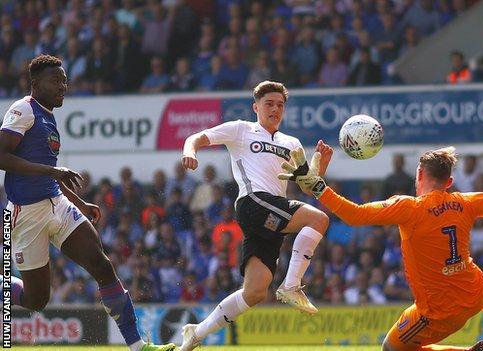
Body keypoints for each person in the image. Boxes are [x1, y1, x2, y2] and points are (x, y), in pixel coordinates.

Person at [286, 146, 483, 351]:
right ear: (450, 181)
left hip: (438, 314)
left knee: (391, 349)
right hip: (472, 296)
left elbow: (354, 215)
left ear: (419, 175)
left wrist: (319, 189)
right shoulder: (466, 202)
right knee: (477, 277)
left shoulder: (408, 208)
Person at [0, 55, 175, 351]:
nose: (63, 86)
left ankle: (137, 346)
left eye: (64, 80)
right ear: (35, 84)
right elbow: (2, 157)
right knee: (36, 301)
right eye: (55, 81)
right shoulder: (23, 109)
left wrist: (79, 202)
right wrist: (53, 171)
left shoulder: (49, 116)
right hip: (25, 213)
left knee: (102, 266)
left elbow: (47, 173)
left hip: (56, 203)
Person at [179, 80, 331, 350]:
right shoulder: (242, 130)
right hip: (253, 202)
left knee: (255, 291)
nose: (275, 109)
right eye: (269, 104)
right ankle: (292, 285)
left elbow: (309, 186)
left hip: (272, 211)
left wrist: (322, 167)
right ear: (256, 107)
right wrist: (189, 150)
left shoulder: (291, 143)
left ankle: (196, 333)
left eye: (280, 105)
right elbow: (198, 137)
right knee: (319, 219)